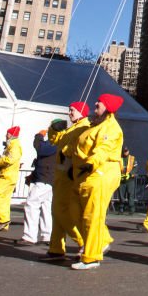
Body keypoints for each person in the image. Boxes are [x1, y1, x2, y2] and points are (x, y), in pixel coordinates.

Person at [68, 93, 125, 271]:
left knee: (92, 215)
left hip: (101, 173)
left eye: (99, 102)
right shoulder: (96, 124)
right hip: (86, 174)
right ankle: (102, 241)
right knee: (75, 211)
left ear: (107, 107)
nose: (95, 103)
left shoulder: (111, 128)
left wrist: (90, 164)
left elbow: (103, 150)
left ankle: (91, 257)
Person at [41, 102, 90, 262]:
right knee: (57, 212)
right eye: (69, 110)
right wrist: (54, 129)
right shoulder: (73, 128)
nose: (69, 113)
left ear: (81, 112)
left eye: (72, 110)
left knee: (61, 211)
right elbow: (57, 140)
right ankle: (56, 248)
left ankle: (82, 240)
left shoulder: (83, 128)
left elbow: (75, 148)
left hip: (69, 175)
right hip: (62, 175)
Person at [20, 130, 57, 246]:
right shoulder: (55, 144)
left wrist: (39, 136)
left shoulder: (54, 143)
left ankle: (30, 236)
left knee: (32, 203)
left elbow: (40, 148)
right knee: (46, 207)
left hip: (45, 178)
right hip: (48, 178)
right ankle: (47, 235)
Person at [0, 126, 22, 231]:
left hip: (7, 176)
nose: (6, 135)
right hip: (10, 175)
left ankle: (3, 220)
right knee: (5, 199)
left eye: (7, 133)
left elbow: (10, 159)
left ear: (10, 135)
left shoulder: (14, 146)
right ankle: (4, 223)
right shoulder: (12, 145)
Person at [117, 146, 137, 214]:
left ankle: (131, 209)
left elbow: (135, 168)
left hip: (130, 180)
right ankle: (121, 208)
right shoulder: (119, 159)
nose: (125, 152)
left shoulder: (132, 158)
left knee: (130, 195)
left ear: (128, 151)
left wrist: (130, 174)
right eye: (124, 151)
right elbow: (116, 167)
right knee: (121, 195)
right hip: (122, 180)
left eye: (126, 151)